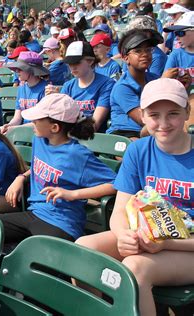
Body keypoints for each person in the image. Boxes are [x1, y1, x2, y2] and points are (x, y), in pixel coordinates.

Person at [75, 78, 194, 316]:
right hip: (149, 237)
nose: (163, 123)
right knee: (82, 250)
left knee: (135, 267)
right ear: (142, 115)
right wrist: (123, 235)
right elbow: (119, 211)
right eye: (153, 115)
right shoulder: (139, 150)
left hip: (187, 246)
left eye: (172, 113)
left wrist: (165, 244)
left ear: (187, 112)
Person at [2, 93, 116, 247]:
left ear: (54, 127)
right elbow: (38, 166)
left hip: (61, 223)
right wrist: (21, 177)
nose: (32, 122)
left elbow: (116, 184)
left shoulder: (77, 155)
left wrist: (73, 194)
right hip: (33, 213)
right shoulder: (39, 139)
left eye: (37, 120)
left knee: (30, 255)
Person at [107, 29, 162, 138]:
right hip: (124, 135)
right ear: (125, 57)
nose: (145, 54)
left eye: (148, 50)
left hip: (150, 131)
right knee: (140, 149)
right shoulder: (122, 87)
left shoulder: (154, 79)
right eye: (138, 51)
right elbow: (143, 119)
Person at [59, 41, 115, 132]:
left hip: (93, 139)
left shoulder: (106, 84)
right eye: (70, 63)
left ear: (90, 61)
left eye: (76, 62)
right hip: (70, 135)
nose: (72, 67)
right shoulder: (68, 86)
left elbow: (94, 124)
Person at [2, 51, 49, 133]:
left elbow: (41, 123)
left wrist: (16, 129)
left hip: (38, 133)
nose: (17, 71)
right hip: (22, 131)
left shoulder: (46, 89)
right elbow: (17, 118)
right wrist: (9, 125)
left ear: (31, 70)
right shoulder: (21, 88)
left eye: (20, 69)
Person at [163, 12, 194, 93]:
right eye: (175, 33)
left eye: (180, 33)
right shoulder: (176, 54)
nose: (177, 37)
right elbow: (164, 82)